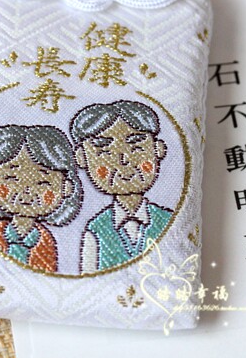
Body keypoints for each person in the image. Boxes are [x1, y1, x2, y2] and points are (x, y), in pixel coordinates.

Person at [70, 101, 172, 273]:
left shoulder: (168, 221)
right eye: (105, 151)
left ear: (158, 150)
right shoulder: (96, 231)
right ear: (82, 158)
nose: (123, 159)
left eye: (136, 147)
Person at [0, 124, 82, 273]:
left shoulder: (45, 243)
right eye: (11, 178)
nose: (27, 190)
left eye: (42, 183)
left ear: (66, 187)